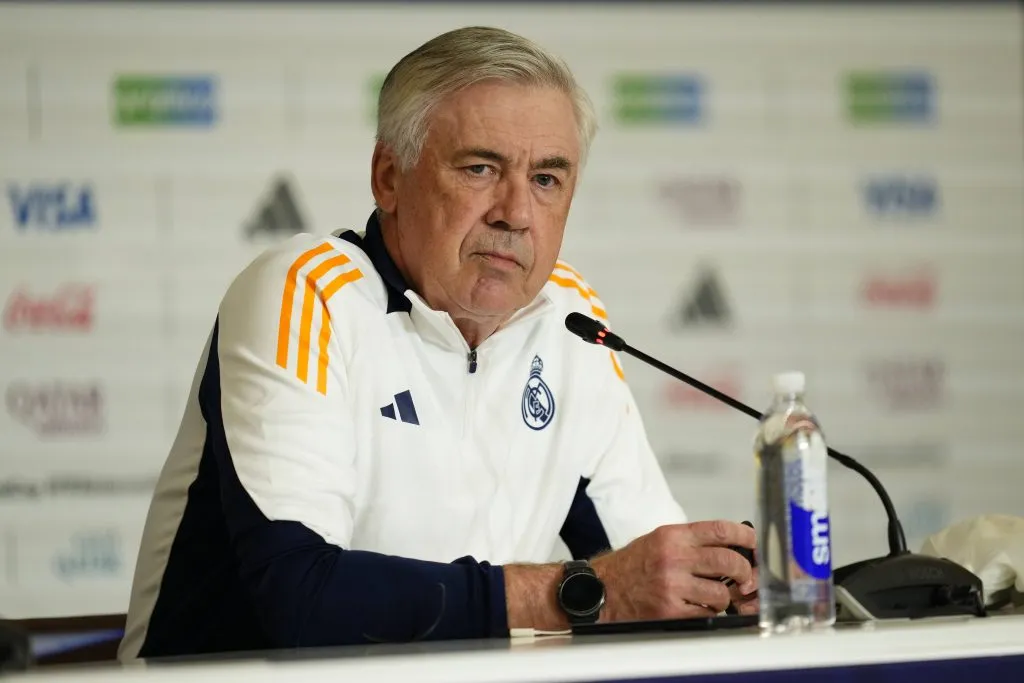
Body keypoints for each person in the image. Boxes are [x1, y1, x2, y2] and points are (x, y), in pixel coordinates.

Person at [118, 26, 758, 660]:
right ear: (388, 177)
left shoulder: (571, 316)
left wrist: (719, 585)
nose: (516, 212)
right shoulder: (304, 294)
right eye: (481, 169)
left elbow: (639, 566)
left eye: (547, 179)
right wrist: (580, 595)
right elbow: (301, 600)